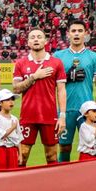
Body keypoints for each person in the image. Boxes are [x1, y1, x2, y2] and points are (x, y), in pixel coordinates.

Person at [12, 29, 67, 166]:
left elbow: (61, 91)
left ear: (45, 41)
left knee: (52, 155)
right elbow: (16, 89)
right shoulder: (21, 63)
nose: (36, 39)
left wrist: (62, 116)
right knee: (22, 155)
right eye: (32, 37)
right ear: (28, 42)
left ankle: (52, 185)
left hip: (49, 116)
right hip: (28, 115)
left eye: (39, 37)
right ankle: (19, 185)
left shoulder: (56, 63)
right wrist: (34, 77)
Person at [54, 19, 96, 162]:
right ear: (68, 34)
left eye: (80, 31)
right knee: (64, 147)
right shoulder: (58, 56)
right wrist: (68, 77)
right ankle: (63, 177)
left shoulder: (94, 57)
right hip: (66, 109)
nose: (76, 34)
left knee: (90, 146)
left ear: (86, 34)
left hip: (87, 111)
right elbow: (52, 84)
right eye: (73, 31)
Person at [0, 89, 22, 169]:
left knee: (12, 176)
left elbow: (18, 139)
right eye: (7, 100)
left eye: (12, 99)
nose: (11, 102)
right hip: (1, 150)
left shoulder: (14, 119)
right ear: (0, 103)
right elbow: (2, 135)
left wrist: (20, 155)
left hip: (12, 150)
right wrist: (12, 127)